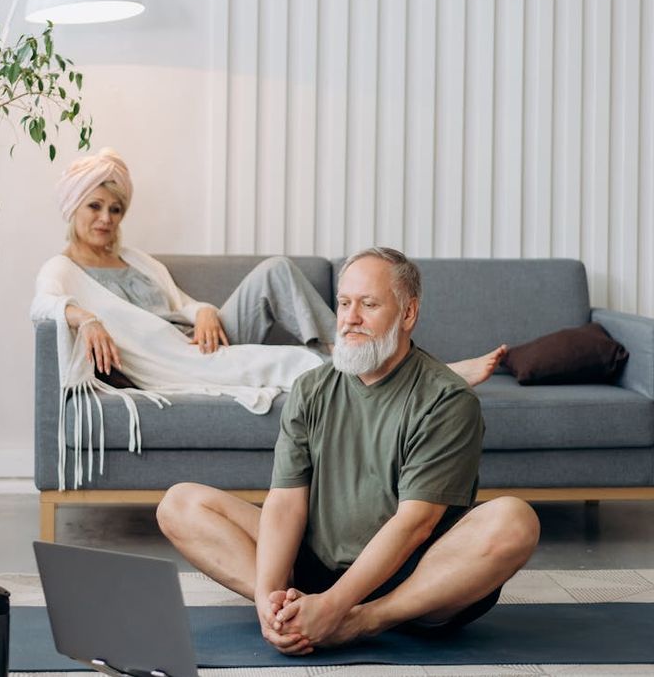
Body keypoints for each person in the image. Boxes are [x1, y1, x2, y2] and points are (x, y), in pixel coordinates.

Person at [31, 149, 505, 487]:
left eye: (115, 209)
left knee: (276, 269)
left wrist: (205, 312)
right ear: (74, 208)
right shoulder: (63, 269)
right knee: (287, 359)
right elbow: (42, 306)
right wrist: (84, 317)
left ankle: (347, 355)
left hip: (202, 342)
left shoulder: (136, 259)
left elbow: (183, 303)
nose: (107, 218)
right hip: (173, 361)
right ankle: (418, 372)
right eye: (95, 207)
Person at [156, 247, 540, 654]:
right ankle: (291, 613)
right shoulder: (311, 388)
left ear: (408, 314)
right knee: (179, 504)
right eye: (343, 303)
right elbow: (285, 504)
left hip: (411, 579)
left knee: (515, 521)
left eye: (369, 304)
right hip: (314, 568)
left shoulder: (447, 399)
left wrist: (340, 609)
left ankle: (365, 619)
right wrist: (268, 596)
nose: (350, 318)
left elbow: (416, 524)